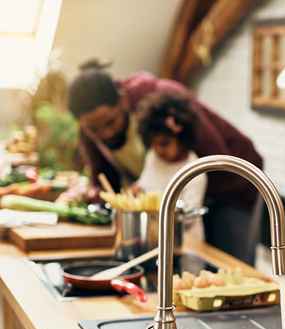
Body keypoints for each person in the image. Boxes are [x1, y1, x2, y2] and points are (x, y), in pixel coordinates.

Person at [66, 60, 263, 264]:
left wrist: (187, 210)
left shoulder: (162, 99)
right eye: (94, 130)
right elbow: (105, 181)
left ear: (123, 101)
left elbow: (216, 160)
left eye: (110, 122)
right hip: (182, 201)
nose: (106, 133)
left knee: (228, 263)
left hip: (232, 183)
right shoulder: (89, 131)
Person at [134, 92, 207, 240]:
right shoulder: (152, 157)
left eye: (164, 143)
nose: (158, 150)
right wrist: (137, 190)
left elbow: (189, 217)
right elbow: (144, 185)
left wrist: (156, 210)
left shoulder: (195, 171)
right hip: (154, 238)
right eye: (153, 144)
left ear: (182, 138)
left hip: (185, 242)